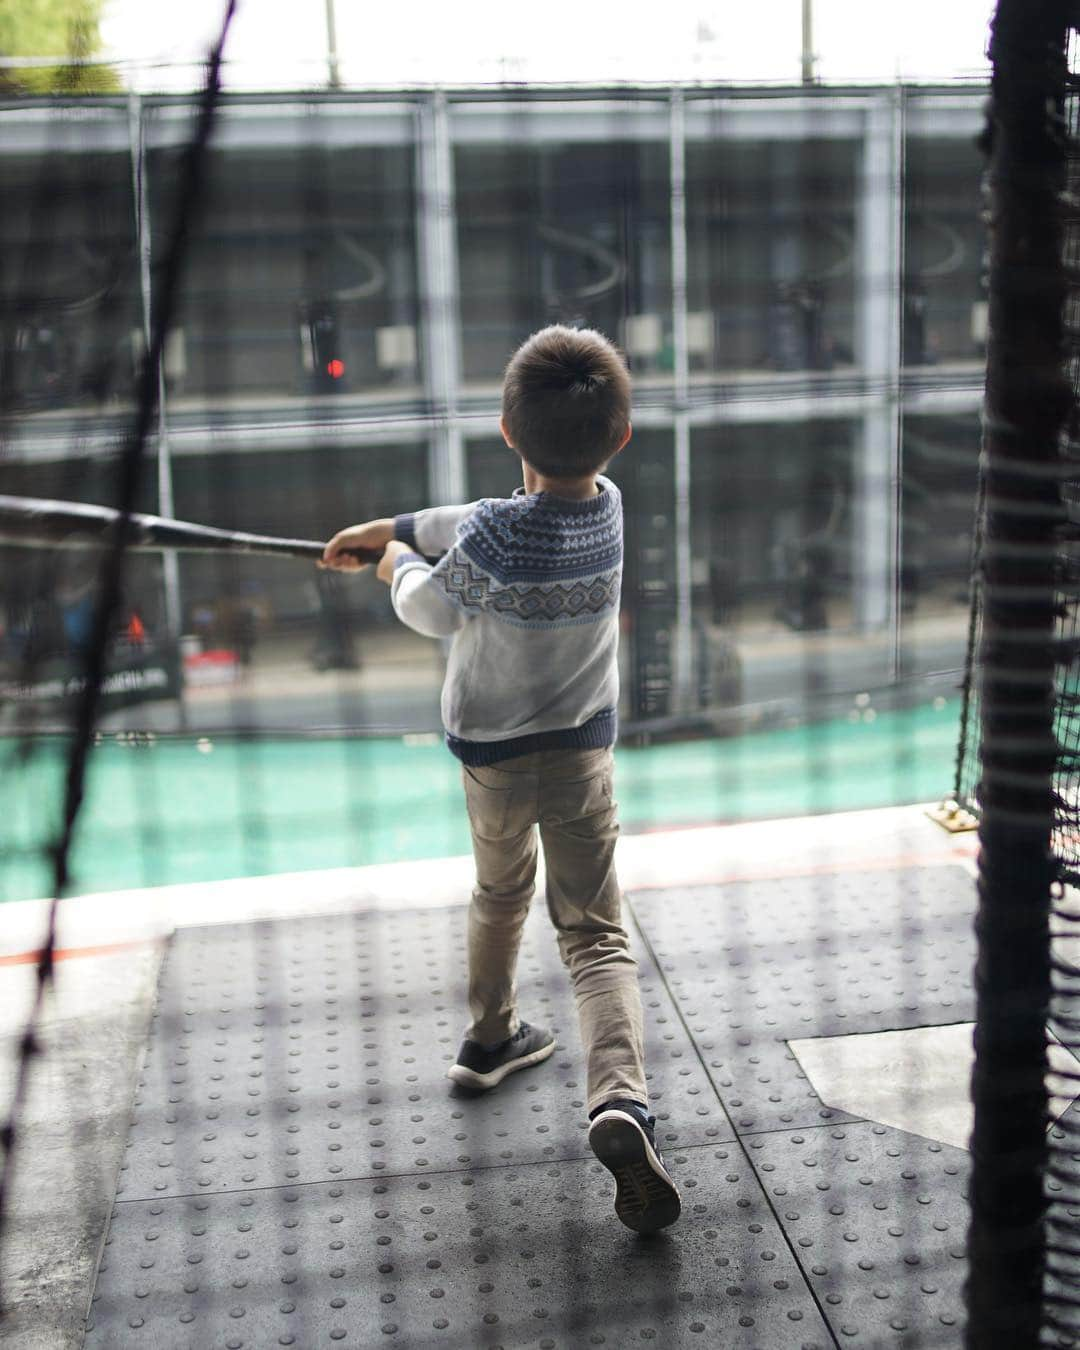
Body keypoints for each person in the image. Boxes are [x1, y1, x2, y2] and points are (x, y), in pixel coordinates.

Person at [322, 325, 681, 1234]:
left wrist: (398, 560)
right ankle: (619, 1104)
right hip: (579, 757)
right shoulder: (611, 504)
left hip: (491, 760)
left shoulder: (488, 536)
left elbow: (428, 608)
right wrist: (396, 526)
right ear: (620, 437)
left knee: (498, 891)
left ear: (506, 429)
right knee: (596, 934)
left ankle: (489, 1038)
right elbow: (478, 518)